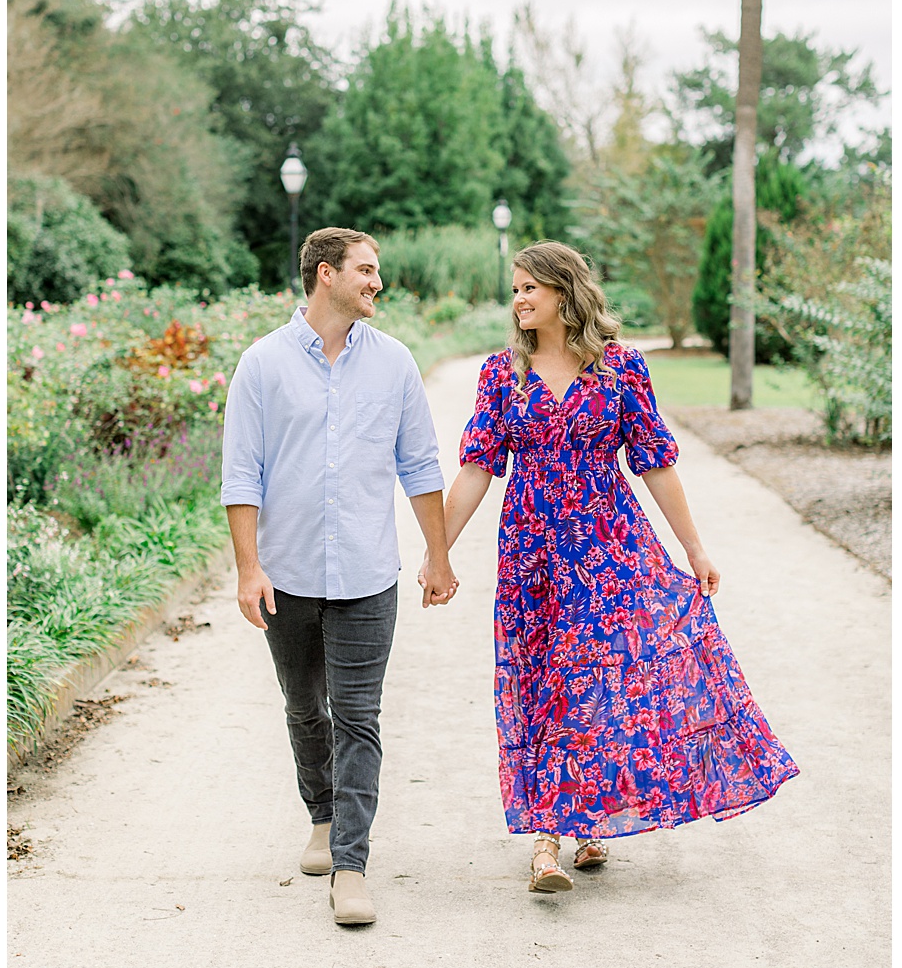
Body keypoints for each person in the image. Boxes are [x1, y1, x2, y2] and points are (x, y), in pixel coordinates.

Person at [439, 240, 798, 892]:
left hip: (610, 546)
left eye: (530, 288)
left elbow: (656, 461)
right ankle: (549, 834)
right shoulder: (501, 374)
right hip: (532, 551)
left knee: (595, 677)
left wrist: (694, 548)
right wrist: (438, 550)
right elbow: (476, 468)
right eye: (514, 288)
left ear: (563, 291)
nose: (518, 299)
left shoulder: (621, 369)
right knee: (541, 677)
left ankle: (581, 821)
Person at [220, 227, 458, 927]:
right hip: (286, 577)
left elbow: (420, 467)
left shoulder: (395, 364)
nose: (376, 282)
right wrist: (248, 569)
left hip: (365, 576)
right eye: (366, 270)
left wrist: (437, 554)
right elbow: (242, 476)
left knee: (359, 718)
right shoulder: (262, 365)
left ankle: (351, 866)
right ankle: (322, 816)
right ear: (326, 275)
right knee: (303, 706)